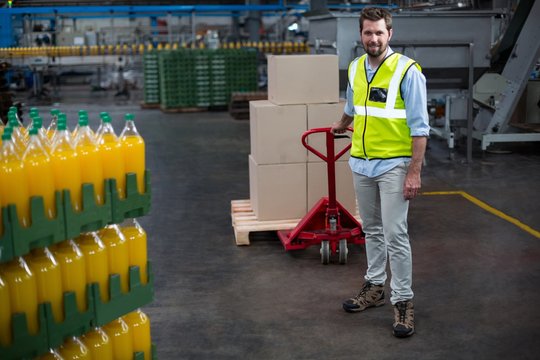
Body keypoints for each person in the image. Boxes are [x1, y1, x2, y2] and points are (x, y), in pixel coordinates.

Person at [331, 7, 429, 338]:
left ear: (390, 34)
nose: (373, 38)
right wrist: (340, 126)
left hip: (394, 165)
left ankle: (403, 301)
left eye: (379, 33)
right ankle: (375, 288)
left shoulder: (407, 71)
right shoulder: (356, 67)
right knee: (371, 229)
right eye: (368, 33)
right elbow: (352, 106)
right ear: (360, 35)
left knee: (395, 234)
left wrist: (414, 172)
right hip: (361, 162)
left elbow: (420, 129)